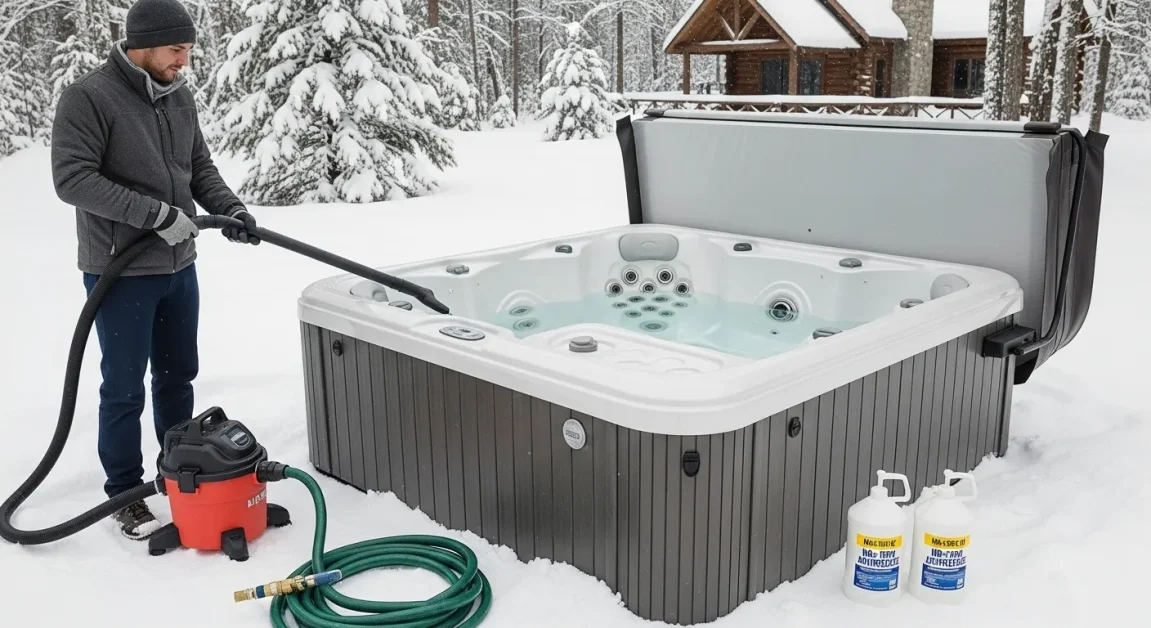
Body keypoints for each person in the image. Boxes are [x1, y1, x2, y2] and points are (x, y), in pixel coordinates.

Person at [50, 0, 259, 540]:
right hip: (120, 273)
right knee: (123, 388)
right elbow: (73, 179)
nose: (184, 61)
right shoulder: (90, 97)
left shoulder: (178, 96)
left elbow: (199, 168)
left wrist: (230, 207)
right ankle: (125, 492)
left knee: (177, 376)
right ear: (141, 44)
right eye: (175, 50)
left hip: (178, 265)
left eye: (188, 50)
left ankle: (180, 471)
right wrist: (156, 215)